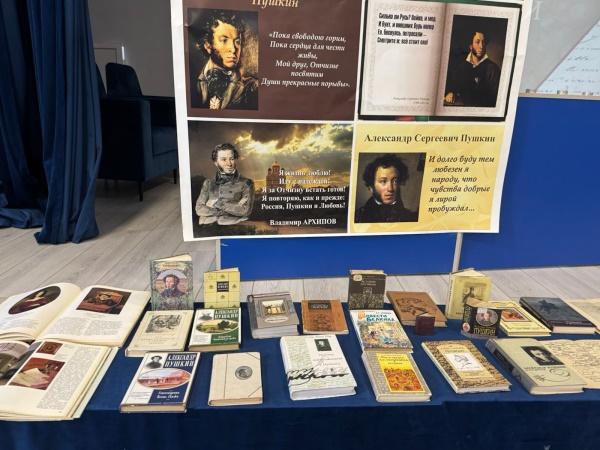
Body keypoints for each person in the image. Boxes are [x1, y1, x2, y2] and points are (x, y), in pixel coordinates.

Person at [194, 11, 258, 110]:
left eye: (237, 42)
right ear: (208, 45)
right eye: (224, 40)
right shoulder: (191, 83)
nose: (233, 49)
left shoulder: (251, 88)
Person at [195, 143, 255, 226]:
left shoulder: (246, 183)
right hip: (207, 227)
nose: (229, 163)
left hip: (233, 228)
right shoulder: (208, 183)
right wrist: (231, 208)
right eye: (224, 159)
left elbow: (245, 210)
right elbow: (199, 209)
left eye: (232, 159)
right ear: (216, 162)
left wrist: (216, 203)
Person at [444, 31, 501, 107]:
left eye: (483, 42)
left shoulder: (493, 69)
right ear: (470, 46)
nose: (481, 46)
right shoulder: (460, 66)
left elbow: (495, 100)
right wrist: (450, 93)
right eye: (477, 42)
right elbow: (453, 86)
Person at [355, 155, 418, 223]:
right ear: (371, 187)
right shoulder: (358, 217)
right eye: (383, 181)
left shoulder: (410, 217)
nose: (390, 189)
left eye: (395, 181)